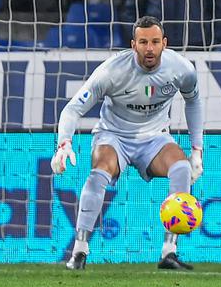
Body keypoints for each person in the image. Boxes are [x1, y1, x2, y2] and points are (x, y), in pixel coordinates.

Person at [51, 16, 204, 271]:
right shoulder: (112, 71)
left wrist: (197, 150)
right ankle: (79, 250)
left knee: (181, 168)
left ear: (164, 43)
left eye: (155, 42)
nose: (149, 48)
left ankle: (169, 251)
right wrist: (63, 144)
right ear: (133, 44)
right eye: (143, 42)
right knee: (100, 170)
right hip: (114, 136)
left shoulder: (181, 69)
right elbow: (72, 109)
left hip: (154, 137)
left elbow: (194, 101)